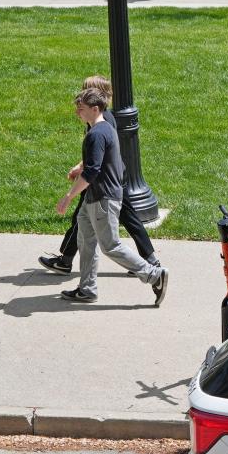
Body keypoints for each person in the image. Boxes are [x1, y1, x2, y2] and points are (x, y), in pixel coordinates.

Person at [55, 86, 168, 305]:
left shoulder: (97, 134)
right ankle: (87, 289)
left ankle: (154, 274)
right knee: (85, 240)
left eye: (81, 109)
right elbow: (95, 165)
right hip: (94, 198)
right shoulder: (103, 129)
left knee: (111, 245)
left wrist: (68, 197)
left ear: (95, 108)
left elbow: (92, 171)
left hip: (104, 197)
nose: (78, 113)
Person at [39, 76, 159, 276]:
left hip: (103, 181)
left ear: (95, 99)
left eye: (85, 94)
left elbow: (99, 153)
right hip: (111, 177)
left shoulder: (102, 122)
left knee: (107, 240)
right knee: (117, 219)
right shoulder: (101, 119)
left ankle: (149, 268)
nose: (80, 103)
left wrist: (71, 193)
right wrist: (81, 166)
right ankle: (149, 260)